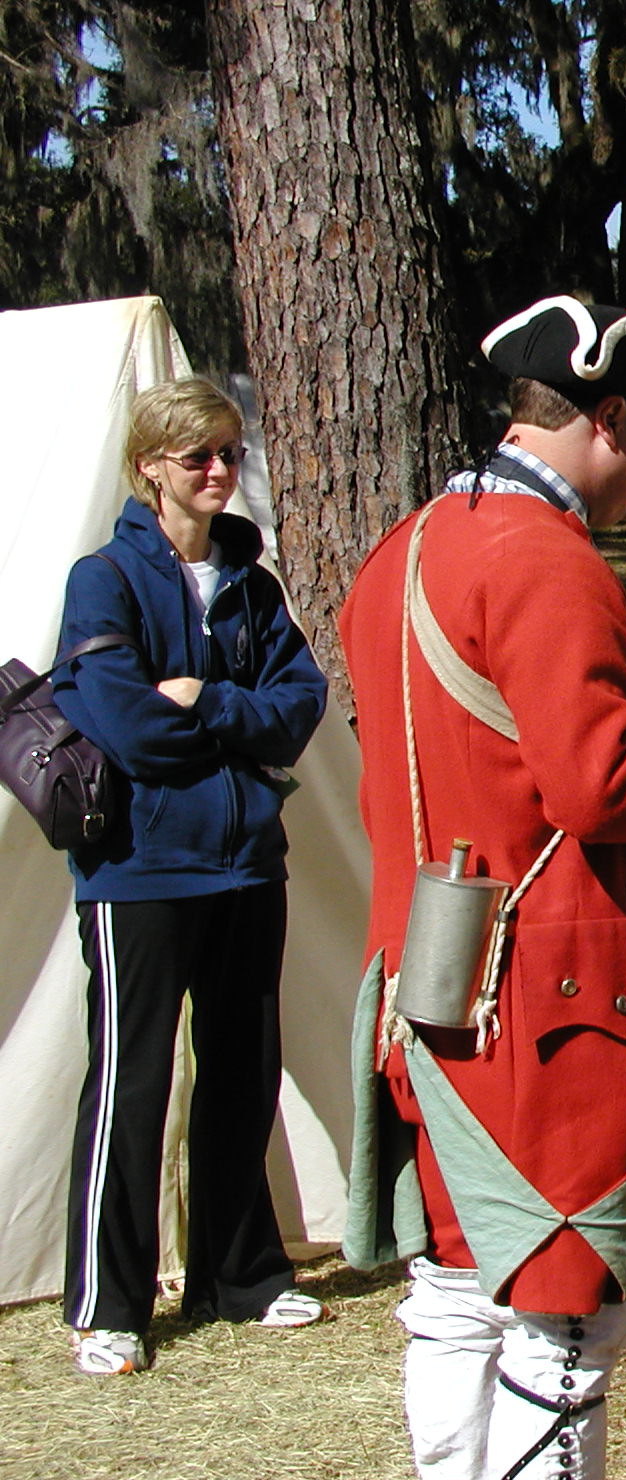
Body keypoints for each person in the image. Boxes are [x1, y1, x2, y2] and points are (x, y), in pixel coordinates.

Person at [339, 296, 626, 1479]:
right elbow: (602, 784)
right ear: (607, 419)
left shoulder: (403, 550)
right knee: (562, 1316)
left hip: (430, 979)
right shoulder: (546, 559)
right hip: (550, 1005)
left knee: (456, 1295)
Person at [51, 376, 329, 1375]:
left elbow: (297, 707)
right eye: (197, 455)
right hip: (139, 870)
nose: (219, 469)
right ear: (149, 469)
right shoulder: (102, 581)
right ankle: (109, 1305)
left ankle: (239, 1276)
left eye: (229, 451)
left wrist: (208, 701)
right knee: (133, 1081)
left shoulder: (252, 584)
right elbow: (127, 728)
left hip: (248, 865)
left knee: (243, 1070)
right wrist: (235, 733)